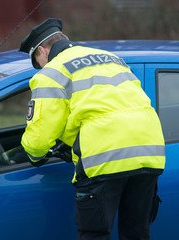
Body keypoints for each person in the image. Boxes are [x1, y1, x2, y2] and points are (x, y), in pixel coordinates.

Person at [19, 18, 165, 240]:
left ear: (41, 50)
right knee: (137, 233)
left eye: (38, 61)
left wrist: (33, 155)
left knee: (94, 234)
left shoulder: (51, 72)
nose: (41, 67)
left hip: (103, 157)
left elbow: (40, 137)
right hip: (148, 152)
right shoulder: (112, 59)